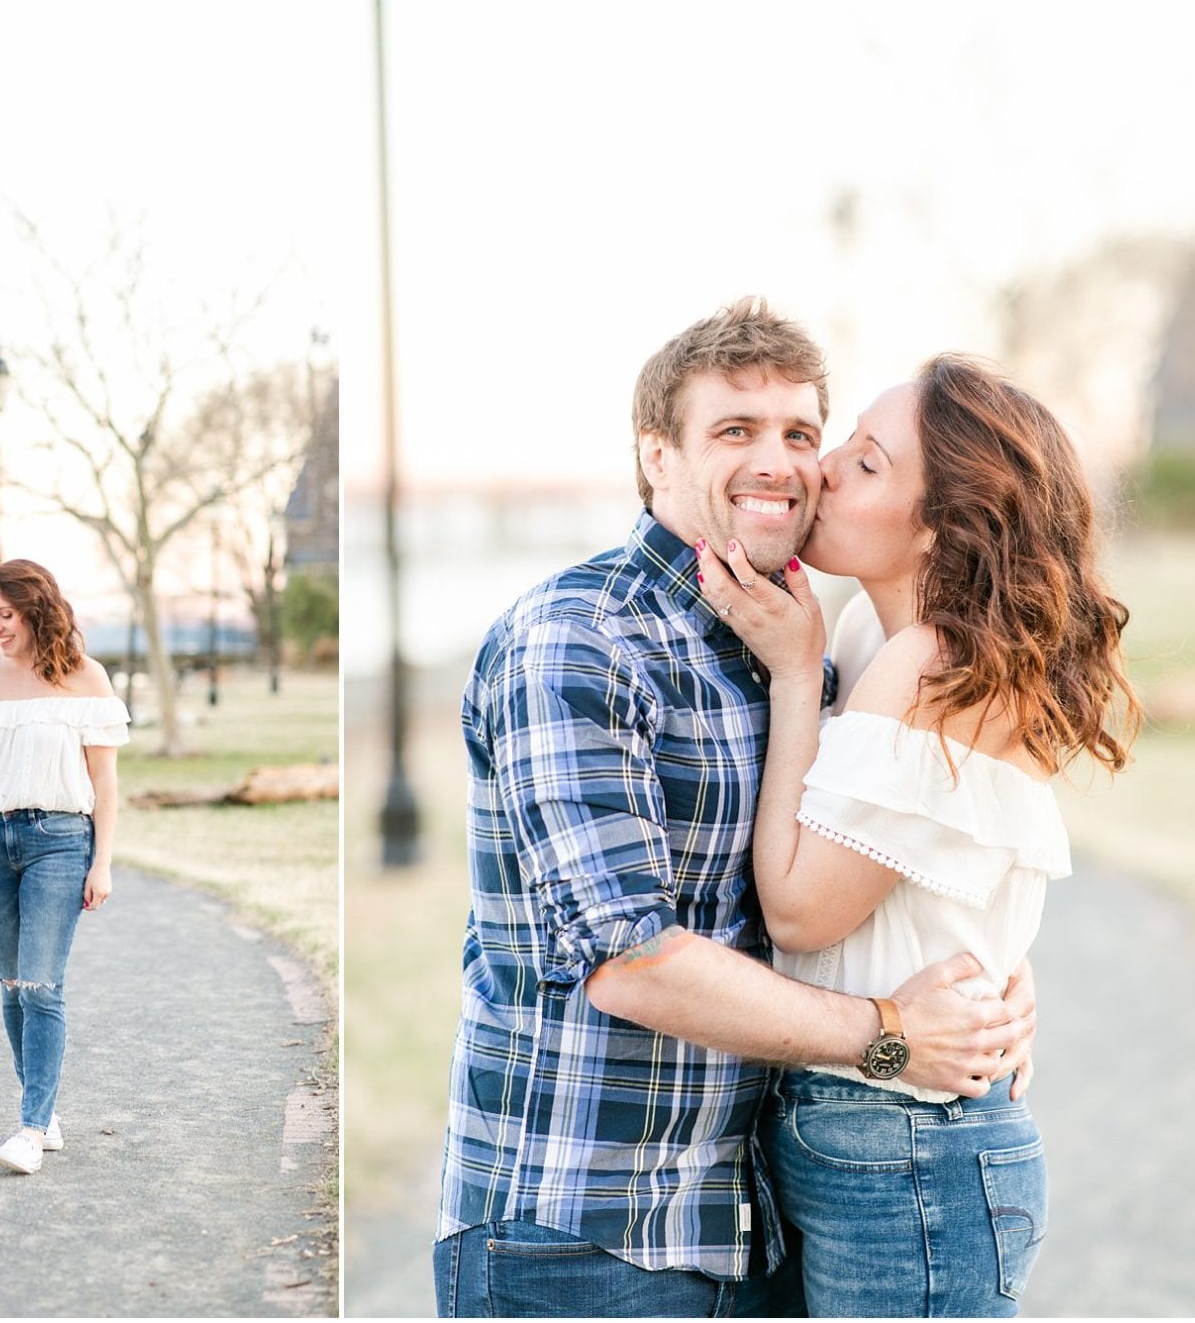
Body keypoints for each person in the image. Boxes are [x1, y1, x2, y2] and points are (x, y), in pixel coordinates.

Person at [434, 300, 1038, 1318]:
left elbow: (900, 850)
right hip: (583, 1231)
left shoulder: (799, 638)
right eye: (734, 431)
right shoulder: (577, 641)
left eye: (802, 433)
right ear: (656, 456)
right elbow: (629, 960)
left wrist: (996, 981)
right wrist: (894, 1032)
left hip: (750, 1219)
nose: (784, 461)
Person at [694, 355, 1139, 1316]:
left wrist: (789, 671)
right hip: (852, 1130)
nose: (823, 468)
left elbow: (801, 909)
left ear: (940, 524)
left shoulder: (935, 664)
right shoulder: (868, 633)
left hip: (910, 1151)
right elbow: (938, 884)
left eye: (866, 463)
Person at [0, 558, 128, 1175]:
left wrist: (101, 863)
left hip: (59, 839)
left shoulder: (86, 677)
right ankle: (45, 1108)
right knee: (11, 985)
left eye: (6, 615)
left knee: (40, 983)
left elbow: (103, 783)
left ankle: (30, 1129)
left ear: (36, 609)